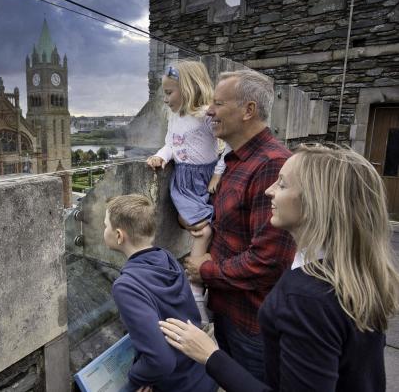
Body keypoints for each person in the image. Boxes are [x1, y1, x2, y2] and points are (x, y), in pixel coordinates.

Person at [160, 144, 399, 391]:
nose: (268, 190)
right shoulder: (355, 270)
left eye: (282, 184)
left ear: (315, 203)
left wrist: (209, 355)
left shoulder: (307, 298)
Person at [183, 69, 296, 380]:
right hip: (230, 311)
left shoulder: (271, 164)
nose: (209, 111)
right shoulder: (238, 160)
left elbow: (269, 261)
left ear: (249, 110)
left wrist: (204, 270)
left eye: (218, 103)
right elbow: (238, 229)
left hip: (252, 324)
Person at [104, 194, 217, 392]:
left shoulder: (126, 286)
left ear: (119, 236)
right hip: (199, 374)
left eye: (106, 226)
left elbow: (161, 361)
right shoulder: (166, 258)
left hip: (175, 384)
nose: (104, 230)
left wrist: (136, 378)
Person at [145, 60, 229, 325]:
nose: (166, 99)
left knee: (213, 229)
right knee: (202, 230)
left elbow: (227, 147)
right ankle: (195, 295)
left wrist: (217, 173)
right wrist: (160, 156)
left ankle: (203, 290)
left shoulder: (206, 115)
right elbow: (170, 144)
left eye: (170, 92)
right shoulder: (175, 116)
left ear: (189, 88)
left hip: (206, 179)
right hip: (184, 182)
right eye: (165, 93)